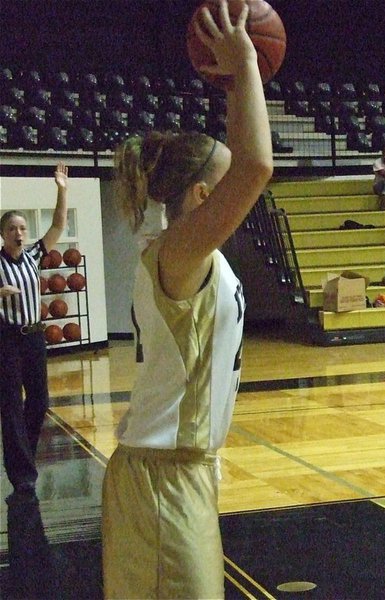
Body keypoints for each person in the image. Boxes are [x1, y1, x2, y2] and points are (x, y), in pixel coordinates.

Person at [102, 2, 274, 598]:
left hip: (182, 473)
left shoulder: (198, 258)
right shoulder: (177, 254)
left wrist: (232, 85)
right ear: (203, 194)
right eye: (223, 187)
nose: (238, 197)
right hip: (161, 479)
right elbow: (256, 164)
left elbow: (240, 162)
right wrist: (246, 64)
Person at [0, 163, 69, 501]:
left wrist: (62, 189)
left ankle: (19, 454)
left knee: (39, 401)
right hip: (7, 338)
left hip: (35, 336)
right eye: (13, 228)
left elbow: (58, 224)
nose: (20, 232)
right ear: (3, 233)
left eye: (23, 227)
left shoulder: (32, 256)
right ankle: (22, 474)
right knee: (11, 405)